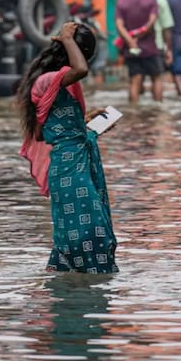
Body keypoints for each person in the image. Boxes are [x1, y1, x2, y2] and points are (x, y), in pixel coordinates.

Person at [17, 22, 119, 274]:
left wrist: (87, 124)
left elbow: (46, 130)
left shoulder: (57, 83)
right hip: (68, 170)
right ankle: (90, 287)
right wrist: (67, 38)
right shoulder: (46, 81)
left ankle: (72, 287)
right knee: (90, 231)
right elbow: (81, 69)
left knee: (84, 231)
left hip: (74, 163)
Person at [115, 0, 160, 103]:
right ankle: (159, 106)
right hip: (149, 47)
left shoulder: (121, 3)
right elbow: (151, 22)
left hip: (130, 48)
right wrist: (139, 35)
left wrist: (130, 41)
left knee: (135, 79)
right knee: (156, 77)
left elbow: (119, 25)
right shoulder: (151, 1)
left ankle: (134, 109)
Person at [145, 0, 175, 93]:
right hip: (156, 45)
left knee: (135, 79)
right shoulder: (160, 0)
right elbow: (166, 27)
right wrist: (169, 49)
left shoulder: (129, 1)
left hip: (135, 45)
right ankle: (157, 102)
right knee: (157, 78)